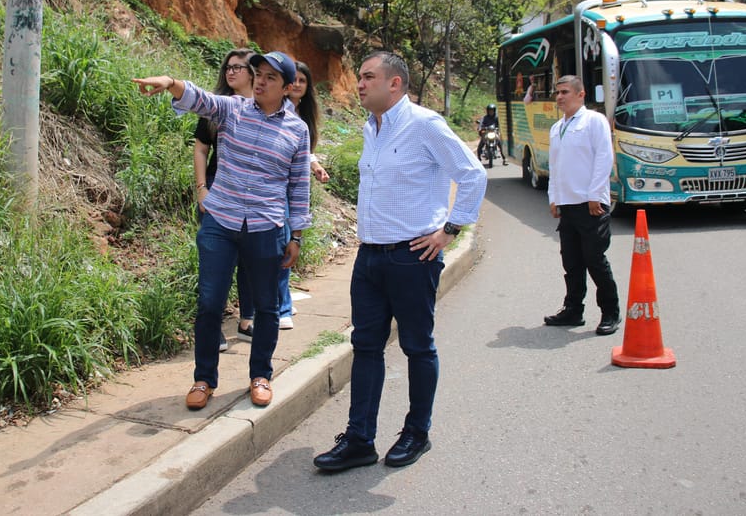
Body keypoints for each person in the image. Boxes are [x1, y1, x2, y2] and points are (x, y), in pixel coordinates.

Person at [313, 51, 486, 472]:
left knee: (417, 346)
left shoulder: (424, 124)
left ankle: (416, 432)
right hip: (369, 257)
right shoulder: (370, 127)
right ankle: (359, 440)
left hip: (412, 257)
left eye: (368, 77)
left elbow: (472, 174)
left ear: (395, 83)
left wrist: (450, 230)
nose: (359, 84)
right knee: (365, 346)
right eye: (359, 77)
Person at [132, 51, 311, 410]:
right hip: (221, 221)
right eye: (258, 74)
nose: (260, 81)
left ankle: (260, 376)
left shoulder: (297, 130)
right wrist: (170, 83)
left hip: (266, 226)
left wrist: (296, 235)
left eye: (271, 78)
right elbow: (200, 99)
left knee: (266, 306)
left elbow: (298, 185)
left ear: (287, 88)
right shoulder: (233, 109)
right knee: (210, 303)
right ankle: (203, 379)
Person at [543, 74, 620, 336]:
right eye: (557, 93)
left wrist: (595, 194)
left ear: (581, 94)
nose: (559, 97)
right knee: (572, 262)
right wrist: (554, 197)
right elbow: (555, 166)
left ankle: (610, 312)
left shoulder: (594, 121)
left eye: (565, 92)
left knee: (595, 260)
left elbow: (604, 157)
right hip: (567, 205)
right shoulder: (557, 128)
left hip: (591, 204)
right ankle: (573, 310)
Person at [193, 49, 256, 351]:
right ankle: (213, 326)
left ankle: (246, 321)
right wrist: (202, 189)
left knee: (250, 262)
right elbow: (200, 149)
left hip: (253, 199)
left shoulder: (264, 109)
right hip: (218, 193)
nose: (231, 72)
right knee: (217, 264)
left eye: (238, 67)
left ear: (253, 73)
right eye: (228, 67)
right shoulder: (216, 107)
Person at [275, 61, 330, 330]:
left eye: (302, 81)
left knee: (289, 242)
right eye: (293, 79)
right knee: (283, 244)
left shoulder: (304, 114)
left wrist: (316, 166)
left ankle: (282, 301)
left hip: (294, 187)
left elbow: (305, 151)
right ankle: (282, 306)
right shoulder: (276, 108)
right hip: (275, 186)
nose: (297, 85)